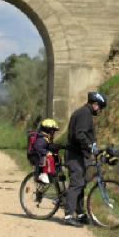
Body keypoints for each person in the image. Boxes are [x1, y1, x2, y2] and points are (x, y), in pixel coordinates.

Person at [63, 91, 107, 227]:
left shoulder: (84, 113)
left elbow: (85, 134)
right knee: (77, 183)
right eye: (100, 107)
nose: (99, 110)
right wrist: (90, 146)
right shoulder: (84, 114)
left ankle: (80, 214)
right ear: (95, 104)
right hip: (74, 155)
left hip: (79, 154)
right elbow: (80, 134)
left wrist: (93, 146)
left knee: (81, 183)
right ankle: (68, 216)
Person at [31, 118, 59, 185]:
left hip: (41, 156)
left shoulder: (45, 138)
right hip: (38, 156)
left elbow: (48, 146)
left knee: (55, 156)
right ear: (48, 131)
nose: (53, 133)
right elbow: (38, 147)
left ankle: (52, 173)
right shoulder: (42, 139)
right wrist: (46, 152)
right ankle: (44, 174)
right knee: (49, 157)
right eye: (53, 131)